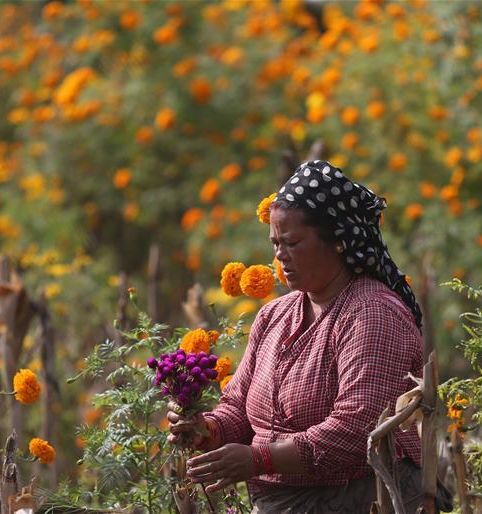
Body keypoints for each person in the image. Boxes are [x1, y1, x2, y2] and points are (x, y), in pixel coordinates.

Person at [168, 160, 450, 513]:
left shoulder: (372, 313)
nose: (280, 256)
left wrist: (259, 459)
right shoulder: (275, 315)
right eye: (275, 243)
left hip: (361, 499)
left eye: (293, 242)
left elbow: (357, 430)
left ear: (337, 242)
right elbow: (238, 408)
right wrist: (206, 429)